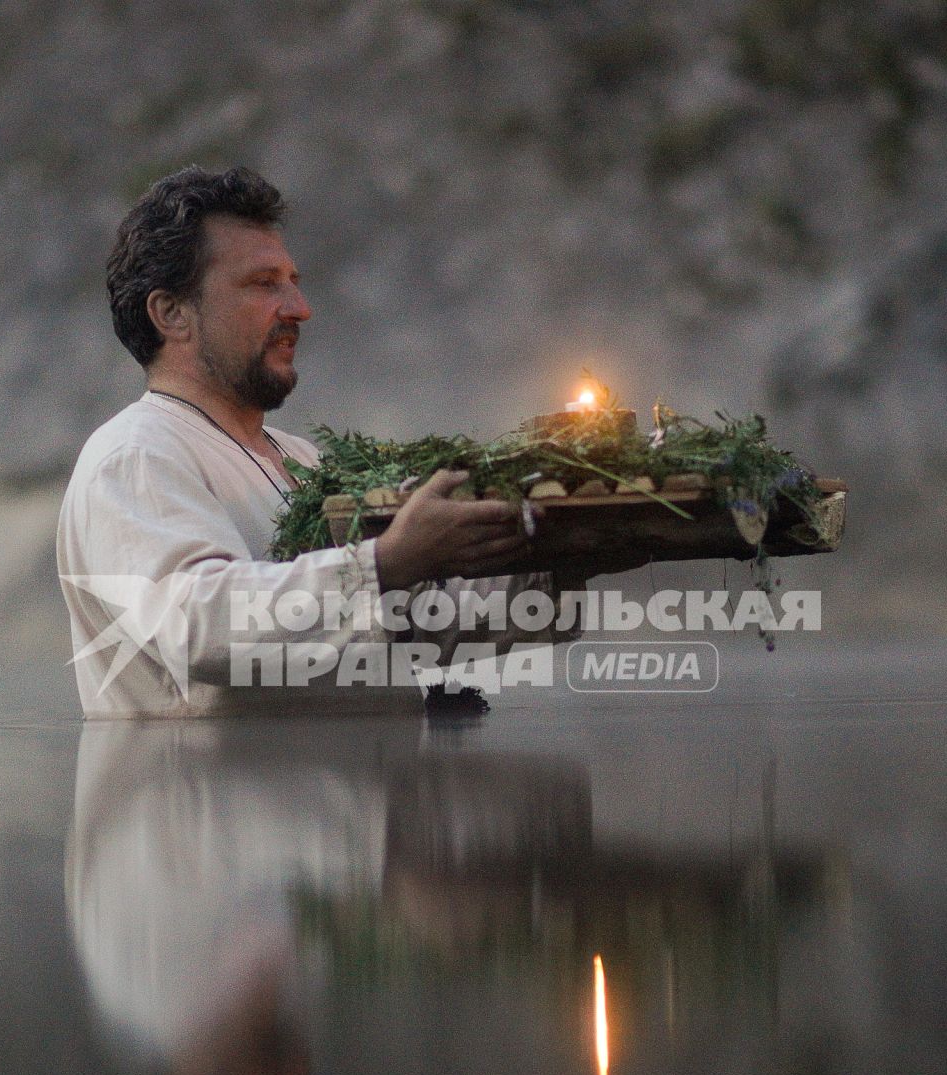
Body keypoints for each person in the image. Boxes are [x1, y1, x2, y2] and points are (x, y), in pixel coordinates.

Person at [57, 165, 621, 718]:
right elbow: (197, 628)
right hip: (209, 802)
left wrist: (561, 558)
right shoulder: (134, 456)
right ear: (172, 313)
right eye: (263, 284)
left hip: (363, 795)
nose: (299, 309)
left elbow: (417, 625)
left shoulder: (305, 461)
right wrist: (383, 563)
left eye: (293, 283)